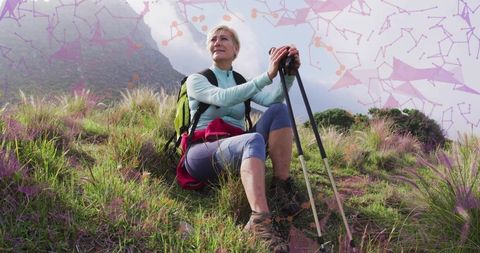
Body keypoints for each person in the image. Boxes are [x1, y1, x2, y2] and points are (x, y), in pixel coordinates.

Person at [184, 24, 303, 253]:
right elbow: (222, 98)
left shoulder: (240, 80)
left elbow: (273, 101)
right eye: (213, 39)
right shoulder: (197, 79)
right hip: (201, 153)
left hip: (239, 150)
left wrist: (287, 75)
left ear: (236, 49)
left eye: (224, 38)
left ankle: (281, 187)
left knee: (280, 111)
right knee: (252, 140)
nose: (217, 42)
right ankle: (259, 222)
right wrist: (267, 75)